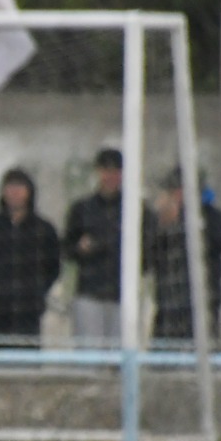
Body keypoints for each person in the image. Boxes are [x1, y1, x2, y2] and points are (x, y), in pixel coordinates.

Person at [64, 148, 152, 346]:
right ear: (97, 172)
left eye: (116, 171)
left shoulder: (138, 209)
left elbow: (149, 252)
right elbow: (67, 250)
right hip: (90, 293)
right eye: (106, 170)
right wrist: (82, 248)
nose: (110, 176)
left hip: (125, 294)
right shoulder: (82, 209)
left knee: (123, 354)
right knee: (90, 358)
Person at [0, 167, 61, 345]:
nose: (14, 193)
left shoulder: (44, 229)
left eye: (19, 188)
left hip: (29, 310)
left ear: (29, 192)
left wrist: (36, 291)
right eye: (10, 187)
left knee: (26, 366)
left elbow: (53, 267)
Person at [147, 167, 221, 344]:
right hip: (167, 313)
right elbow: (145, 260)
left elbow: (218, 239)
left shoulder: (212, 217)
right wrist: (160, 225)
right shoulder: (160, 222)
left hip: (201, 311)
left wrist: (185, 218)